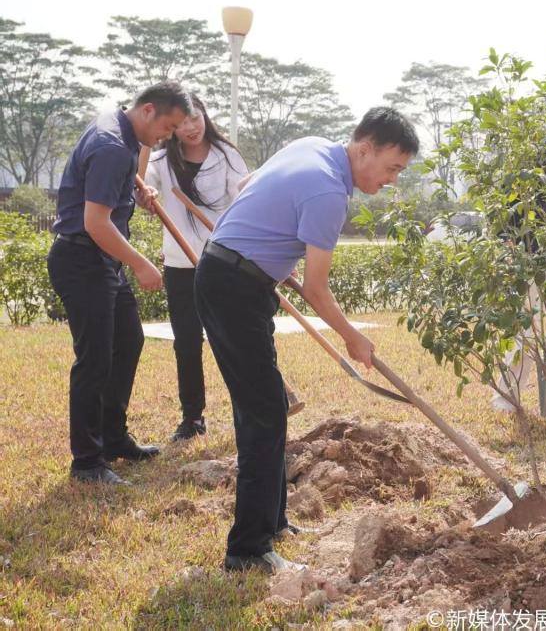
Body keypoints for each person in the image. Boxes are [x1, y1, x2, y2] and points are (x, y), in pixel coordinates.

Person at [194, 107, 419, 573]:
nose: (392, 180)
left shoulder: (312, 147)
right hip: (233, 287)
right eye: (392, 167)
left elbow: (247, 186)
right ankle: (247, 550)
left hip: (235, 278)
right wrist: (353, 337)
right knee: (262, 414)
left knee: (269, 405)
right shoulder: (328, 191)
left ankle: (274, 523)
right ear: (365, 149)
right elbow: (318, 289)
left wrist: (273, 243)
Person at [48, 81, 193, 485]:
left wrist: (135, 189)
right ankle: (87, 462)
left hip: (102, 260)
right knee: (95, 359)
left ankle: (113, 437)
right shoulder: (112, 145)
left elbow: (107, 188)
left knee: (128, 340)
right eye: (168, 126)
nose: (167, 136)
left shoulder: (120, 127)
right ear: (148, 110)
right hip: (82, 259)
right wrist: (142, 264)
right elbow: (96, 223)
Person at [145, 93, 248, 441]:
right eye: (182, 122)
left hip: (223, 261)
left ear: (205, 115)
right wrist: (146, 194)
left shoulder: (227, 155)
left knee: (234, 338)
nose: (191, 127)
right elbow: (143, 183)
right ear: (171, 126)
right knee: (187, 341)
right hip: (180, 264)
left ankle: (250, 407)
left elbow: (245, 200)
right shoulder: (161, 160)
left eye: (196, 118)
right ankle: (192, 418)